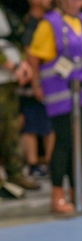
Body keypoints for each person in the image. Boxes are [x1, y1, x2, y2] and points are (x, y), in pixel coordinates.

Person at [26, 0, 82, 214]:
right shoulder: (49, 23)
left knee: (79, 145)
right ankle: (57, 196)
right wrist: (35, 83)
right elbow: (34, 56)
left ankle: (77, 195)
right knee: (63, 142)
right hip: (61, 93)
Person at [0, 4, 40, 194]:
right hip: (5, 73)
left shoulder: (6, 11)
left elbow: (15, 38)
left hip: (9, 81)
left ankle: (15, 174)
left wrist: (22, 62)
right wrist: (9, 64)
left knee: (12, 128)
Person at [18, 0, 55, 182]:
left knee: (51, 122)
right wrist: (35, 83)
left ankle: (51, 162)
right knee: (31, 120)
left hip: (52, 78)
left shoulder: (53, 19)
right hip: (31, 78)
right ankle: (32, 164)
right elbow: (28, 52)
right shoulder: (28, 22)